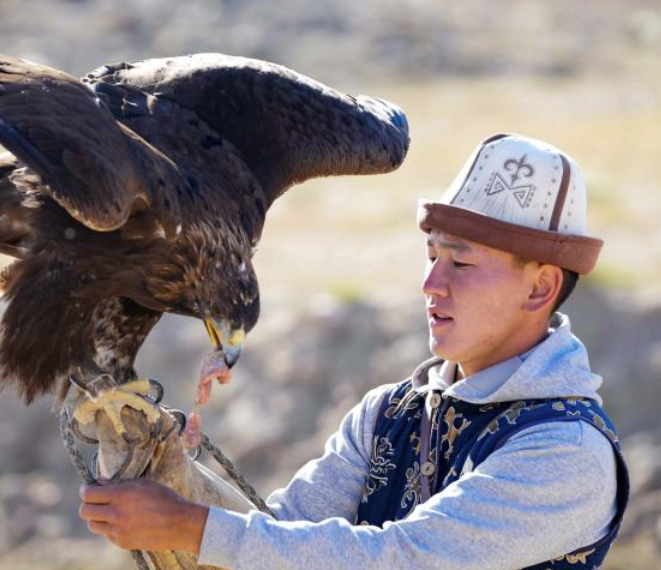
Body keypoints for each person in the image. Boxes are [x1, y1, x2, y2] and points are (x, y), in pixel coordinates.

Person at [79, 133, 630, 570]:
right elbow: (279, 534)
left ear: (540, 288)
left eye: (460, 263)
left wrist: (189, 527)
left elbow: (404, 560)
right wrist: (169, 477)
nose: (431, 284)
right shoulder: (388, 413)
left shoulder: (567, 452)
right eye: (430, 255)